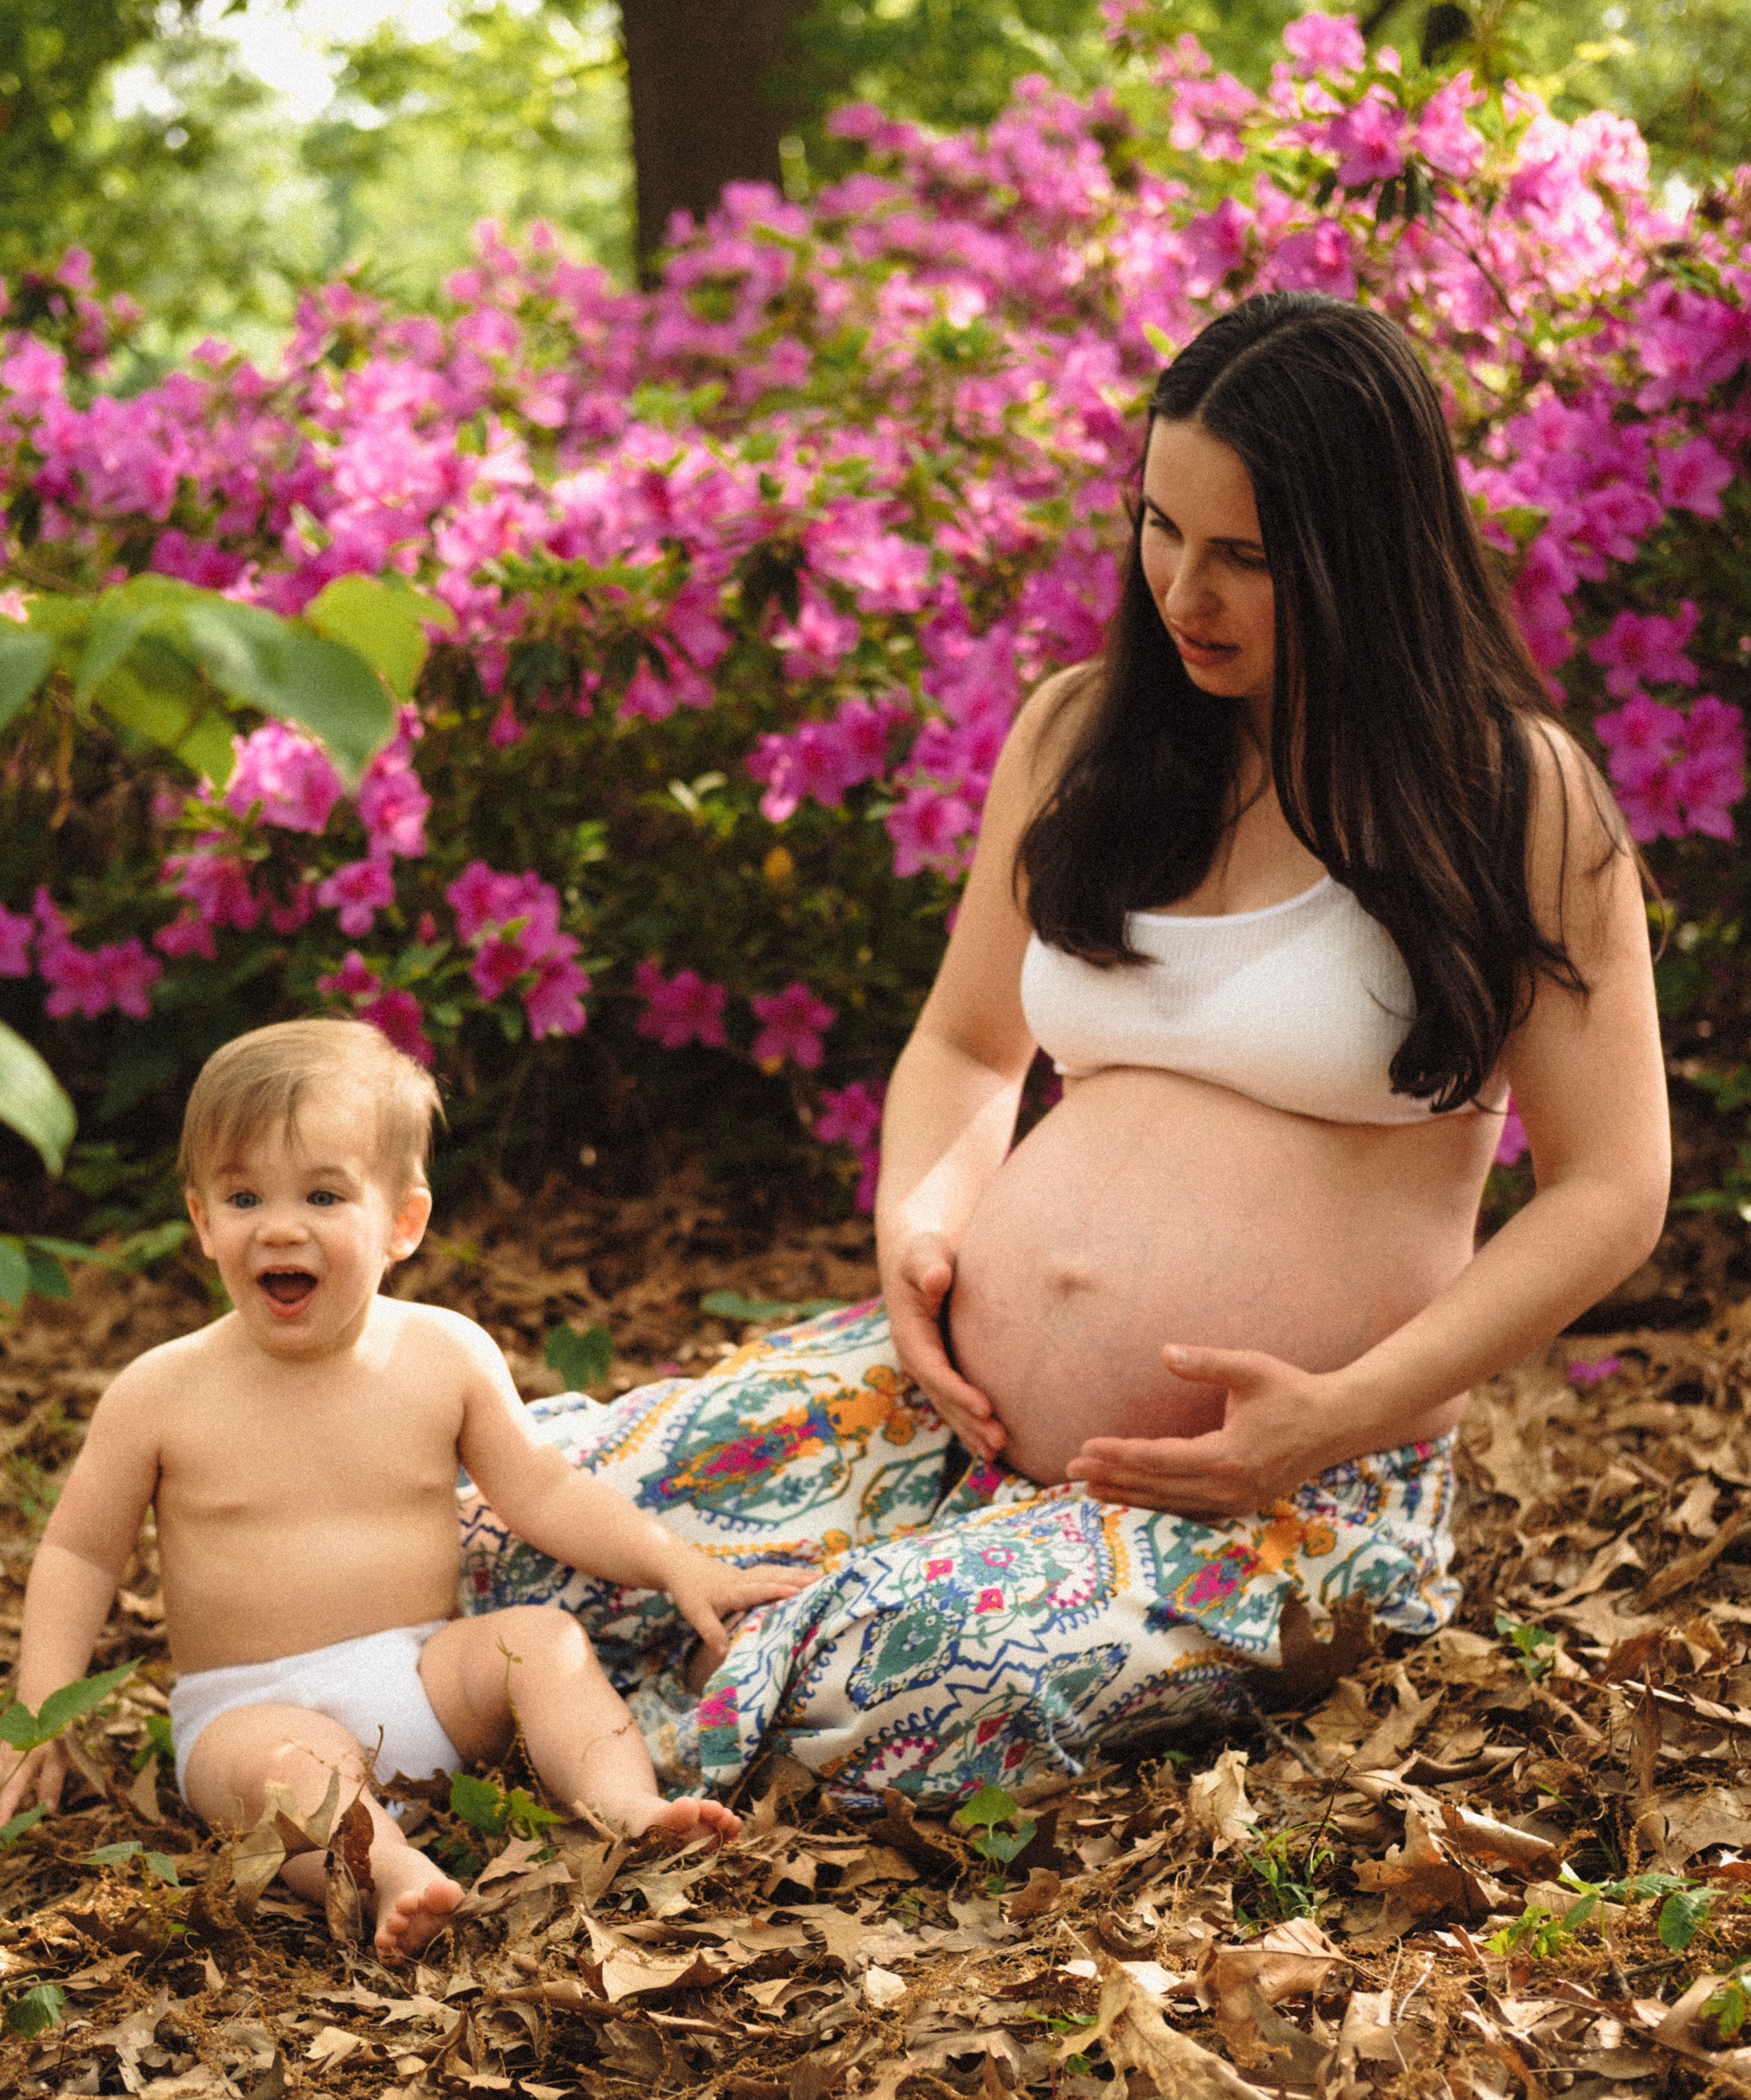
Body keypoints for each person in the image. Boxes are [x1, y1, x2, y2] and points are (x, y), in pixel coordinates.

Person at [456, 291, 1670, 1810]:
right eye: (1160, 530)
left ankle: (616, 1710)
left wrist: (1339, 1412)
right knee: (509, 1527)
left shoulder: (1509, 797)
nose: (1184, 590)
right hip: (941, 1402)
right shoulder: (1080, 737)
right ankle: (581, 1690)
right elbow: (966, 1051)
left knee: (856, 1693)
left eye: (1244, 556)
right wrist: (919, 1232)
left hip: (1286, 1482)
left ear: (1364, 552)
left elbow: (1610, 1188)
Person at [0, 1021, 813, 1957]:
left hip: (425, 1678)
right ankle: (389, 1869)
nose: (279, 1224)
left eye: (323, 1194)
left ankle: (627, 1803)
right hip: (244, 1706)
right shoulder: (160, 1392)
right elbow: (80, 1549)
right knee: (288, 1770)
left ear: (403, 1223)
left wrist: (675, 1564)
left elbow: (541, 1491)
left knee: (542, 1645)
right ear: (202, 1221)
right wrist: (42, 1710)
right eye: (243, 1195)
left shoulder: (444, 1355)